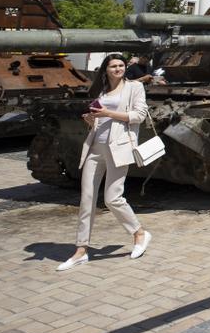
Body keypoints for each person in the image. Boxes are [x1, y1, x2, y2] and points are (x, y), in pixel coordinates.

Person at [56, 53, 152, 271]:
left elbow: (140, 115)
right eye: (113, 66)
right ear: (106, 69)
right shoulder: (101, 90)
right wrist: (91, 120)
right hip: (95, 147)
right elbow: (99, 120)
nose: (118, 69)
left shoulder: (134, 88)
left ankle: (139, 233)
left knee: (112, 198)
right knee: (86, 199)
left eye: (121, 65)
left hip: (119, 148)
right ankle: (81, 250)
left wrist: (109, 112)